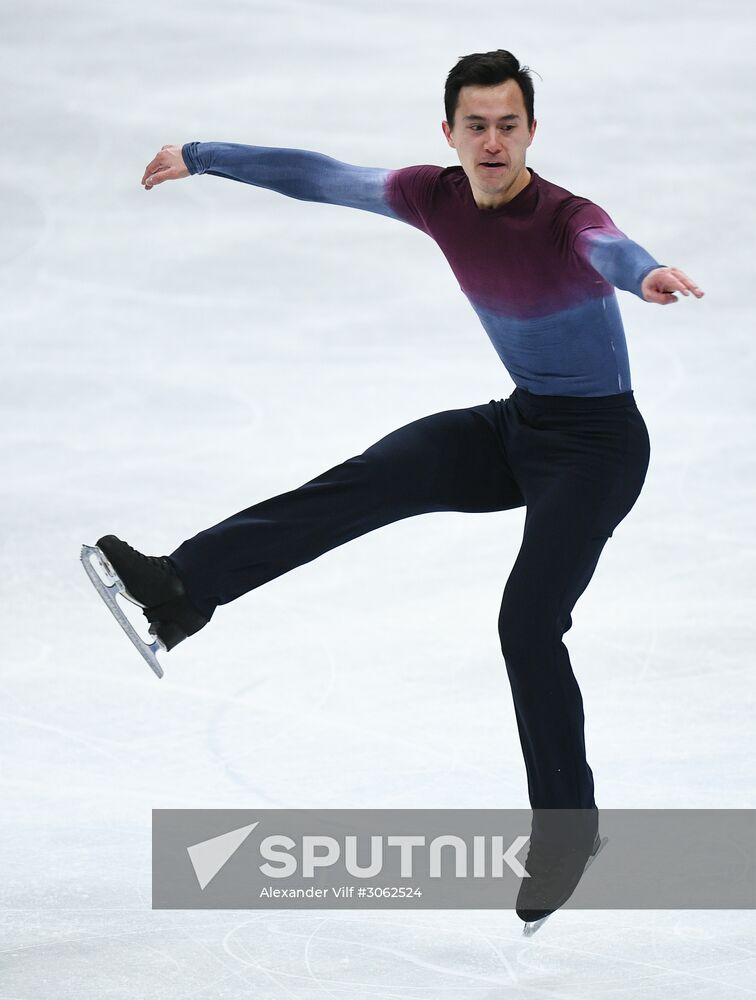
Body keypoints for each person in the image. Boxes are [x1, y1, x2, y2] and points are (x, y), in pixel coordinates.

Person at [86, 49, 704, 927]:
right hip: (520, 426)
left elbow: (608, 247)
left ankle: (568, 832)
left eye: (509, 124)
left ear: (533, 130)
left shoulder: (567, 217)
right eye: (476, 125)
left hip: (599, 450)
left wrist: (643, 274)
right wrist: (203, 153)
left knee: (528, 624)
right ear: (449, 132)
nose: (493, 142)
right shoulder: (432, 194)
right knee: (378, 474)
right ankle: (185, 589)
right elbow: (323, 176)